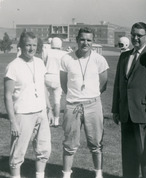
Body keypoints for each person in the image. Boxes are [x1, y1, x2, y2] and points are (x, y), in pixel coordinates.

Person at [112, 22, 146, 178]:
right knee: (128, 155)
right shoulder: (124, 56)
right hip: (125, 113)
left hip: (144, 114)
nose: (135, 38)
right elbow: (118, 84)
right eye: (133, 34)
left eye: (139, 35)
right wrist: (116, 109)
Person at [60, 27, 109, 178]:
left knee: (96, 143)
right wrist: (76, 97)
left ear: (93, 42)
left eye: (89, 40)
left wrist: (91, 96)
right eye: (82, 39)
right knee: (69, 143)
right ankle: (66, 175)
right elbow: (64, 83)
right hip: (72, 105)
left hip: (93, 105)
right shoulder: (66, 58)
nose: (85, 43)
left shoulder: (99, 59)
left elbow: (104, 82)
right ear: (77, 40)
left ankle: (98, 174)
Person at [4, 31, 53, 178]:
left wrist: (49, 108)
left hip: (41, 112)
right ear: (21, 46)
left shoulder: (39, 62)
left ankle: (40, 175)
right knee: (18, 152)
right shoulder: (13, 66)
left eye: (34, 45)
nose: (31, 48)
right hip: (23, 114)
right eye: (28, 45)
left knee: (44, 149)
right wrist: (13, 121)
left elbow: (43, 87)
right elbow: (7, 95)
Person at [43, 37, 67, 127]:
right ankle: (56, 121)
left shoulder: (47, 51)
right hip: (58, 77)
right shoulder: (64, 53)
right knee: (57, 101)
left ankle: (47, 119)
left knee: (46, 99)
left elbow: (44, 62)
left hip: (48, 76)